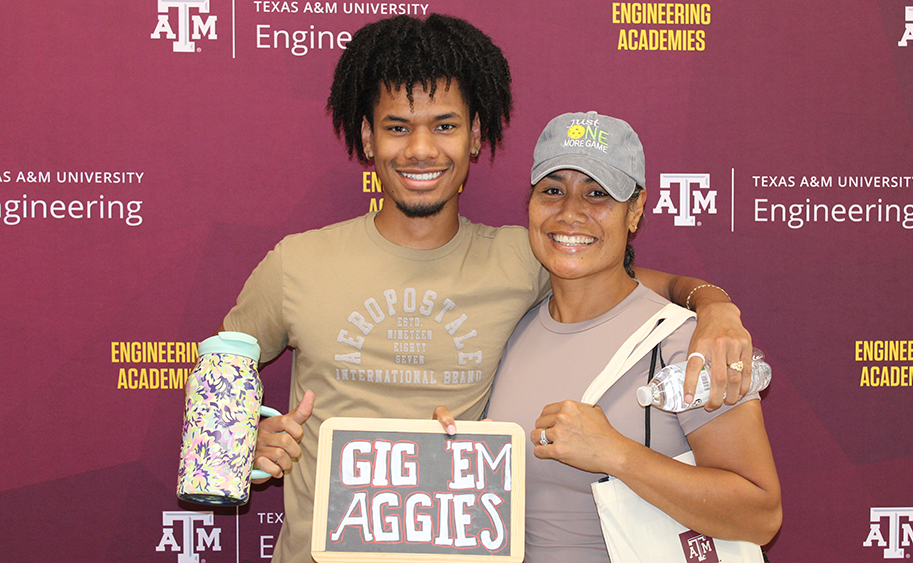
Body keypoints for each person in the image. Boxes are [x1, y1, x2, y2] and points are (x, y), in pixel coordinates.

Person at [222, 15, 755, 563]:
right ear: (367, 137)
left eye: (445, 125)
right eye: (398, 127)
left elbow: (628, 281)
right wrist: (243, 450)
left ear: (476, 135)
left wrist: (713, 305)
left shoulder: (522, 258)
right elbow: (218, 383)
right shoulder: (296, 264)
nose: (421, 149)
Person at [438, 111, 781, 561]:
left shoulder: (687, 342)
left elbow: (759, 514)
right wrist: (456, 456)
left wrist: (615, 453)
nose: (570, 212)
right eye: (553, 190)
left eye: (597, 194)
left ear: (635, 210)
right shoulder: (511, 330)